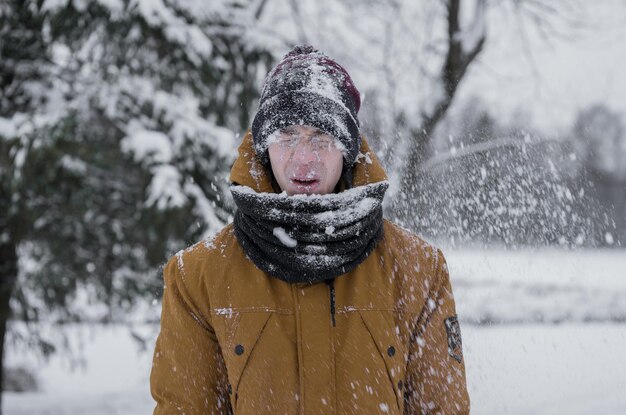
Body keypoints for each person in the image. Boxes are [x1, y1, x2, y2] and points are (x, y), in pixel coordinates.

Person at [150, 45, 469, 414]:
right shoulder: (197, 277)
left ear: (348, 149)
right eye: (286, 133)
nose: (304, 157)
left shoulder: (418, 268)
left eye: (322, 135)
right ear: (263, 146)